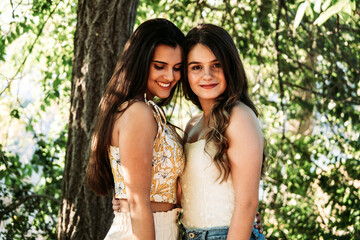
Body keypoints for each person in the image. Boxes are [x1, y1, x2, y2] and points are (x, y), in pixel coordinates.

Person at [86, 18, 186, 240]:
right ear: (140, 61)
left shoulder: (150, 111)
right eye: (160, 66)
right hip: (143, 231)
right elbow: (139, 201)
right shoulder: (138, 112)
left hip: (161, 228)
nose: (170, 77)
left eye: (177, 68)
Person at [179, 24, 266, 240]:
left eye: (216, 65)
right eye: (196, 67)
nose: (207, 75)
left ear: (230, 67)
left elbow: (247, 203)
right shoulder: (192, 125)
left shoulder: (239, 117)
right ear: (186, 73)